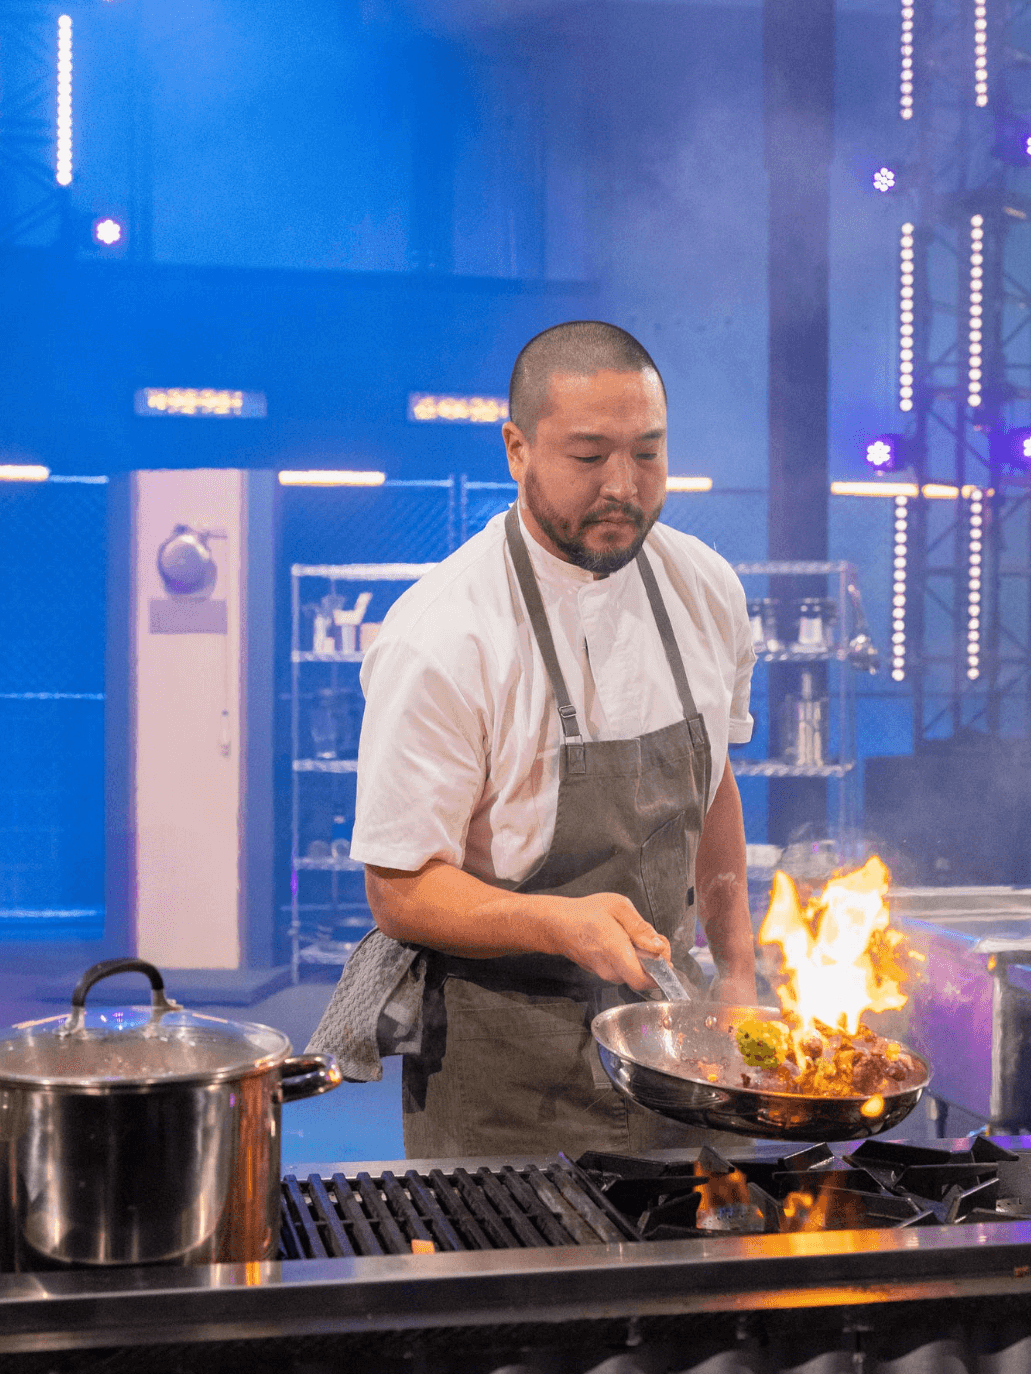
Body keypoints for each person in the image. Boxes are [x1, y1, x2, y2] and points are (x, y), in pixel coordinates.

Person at [309, 320, 759, 1158]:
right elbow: (399, 889)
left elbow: (716, 782)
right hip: (508, 1075)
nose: (624, 485)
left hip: (680, 1055)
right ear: (517, 449)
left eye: (648, 454)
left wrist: (735, 967)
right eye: (590, 458)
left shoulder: (707, 589)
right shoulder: (445, 634)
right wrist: (559, 923)